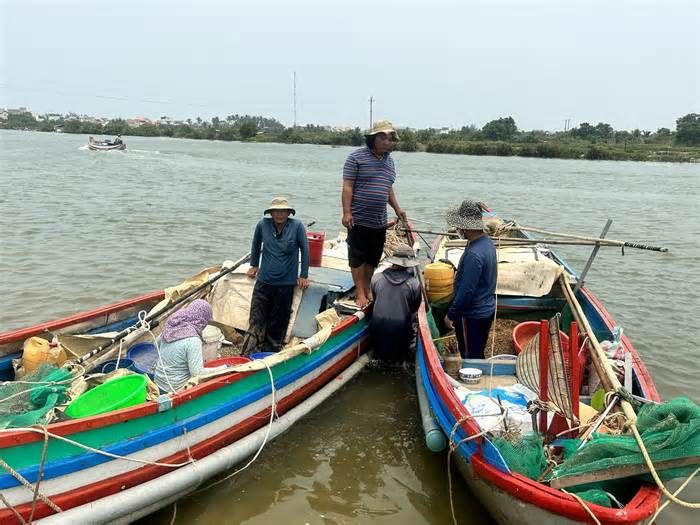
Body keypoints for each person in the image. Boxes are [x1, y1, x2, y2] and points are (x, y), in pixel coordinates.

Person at [342, 120, 408, 307]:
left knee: (373, 257)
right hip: (359, 218)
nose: (386, 141)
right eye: (382, 137)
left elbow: (388, 189)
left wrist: (397, 209)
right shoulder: (356, 157)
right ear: (372, 138)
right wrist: (347, 212)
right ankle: (360, 293)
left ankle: (368, 287)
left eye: (389, 138)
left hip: (379, 220)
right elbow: (348, 186)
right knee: (357, 257)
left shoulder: (390, 162)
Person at [245, 197, 310, 354]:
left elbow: (305, 249)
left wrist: (304, 274)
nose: (280, 214)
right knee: (256, 318)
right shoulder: (263, 225)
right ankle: (250, 350)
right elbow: (255, 243)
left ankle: (271, 351)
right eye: (276, 211)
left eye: (283, 211)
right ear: (271, 213)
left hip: (285, 283)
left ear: (288, 213)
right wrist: (254, 265)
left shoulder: (297, 226)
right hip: (264, 281)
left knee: (278, 321)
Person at [443, 200, 497, 359]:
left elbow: (467, 291)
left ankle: (472, 378)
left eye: (459, 226)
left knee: (470, 355)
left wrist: (451, 314)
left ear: (466, 227)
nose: (458, 229)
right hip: (486, 308)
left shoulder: (474, 254)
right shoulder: (486, 243)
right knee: (477, 348)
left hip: (472, 313)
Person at [154, 299, 226, 393]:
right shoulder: (193, 340)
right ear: (202, 320)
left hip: (158, 382)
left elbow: (156, 343)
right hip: (175, 389)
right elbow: (197, 373)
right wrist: (224, 368)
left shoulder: (172, 326)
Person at [369, 244, 422, 362]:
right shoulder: (414, 284)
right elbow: (414, 308)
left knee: (378, 359)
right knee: (400, 360)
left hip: (377, 326)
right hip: (400, 329)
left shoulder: (376, 277)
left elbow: (375, 298)